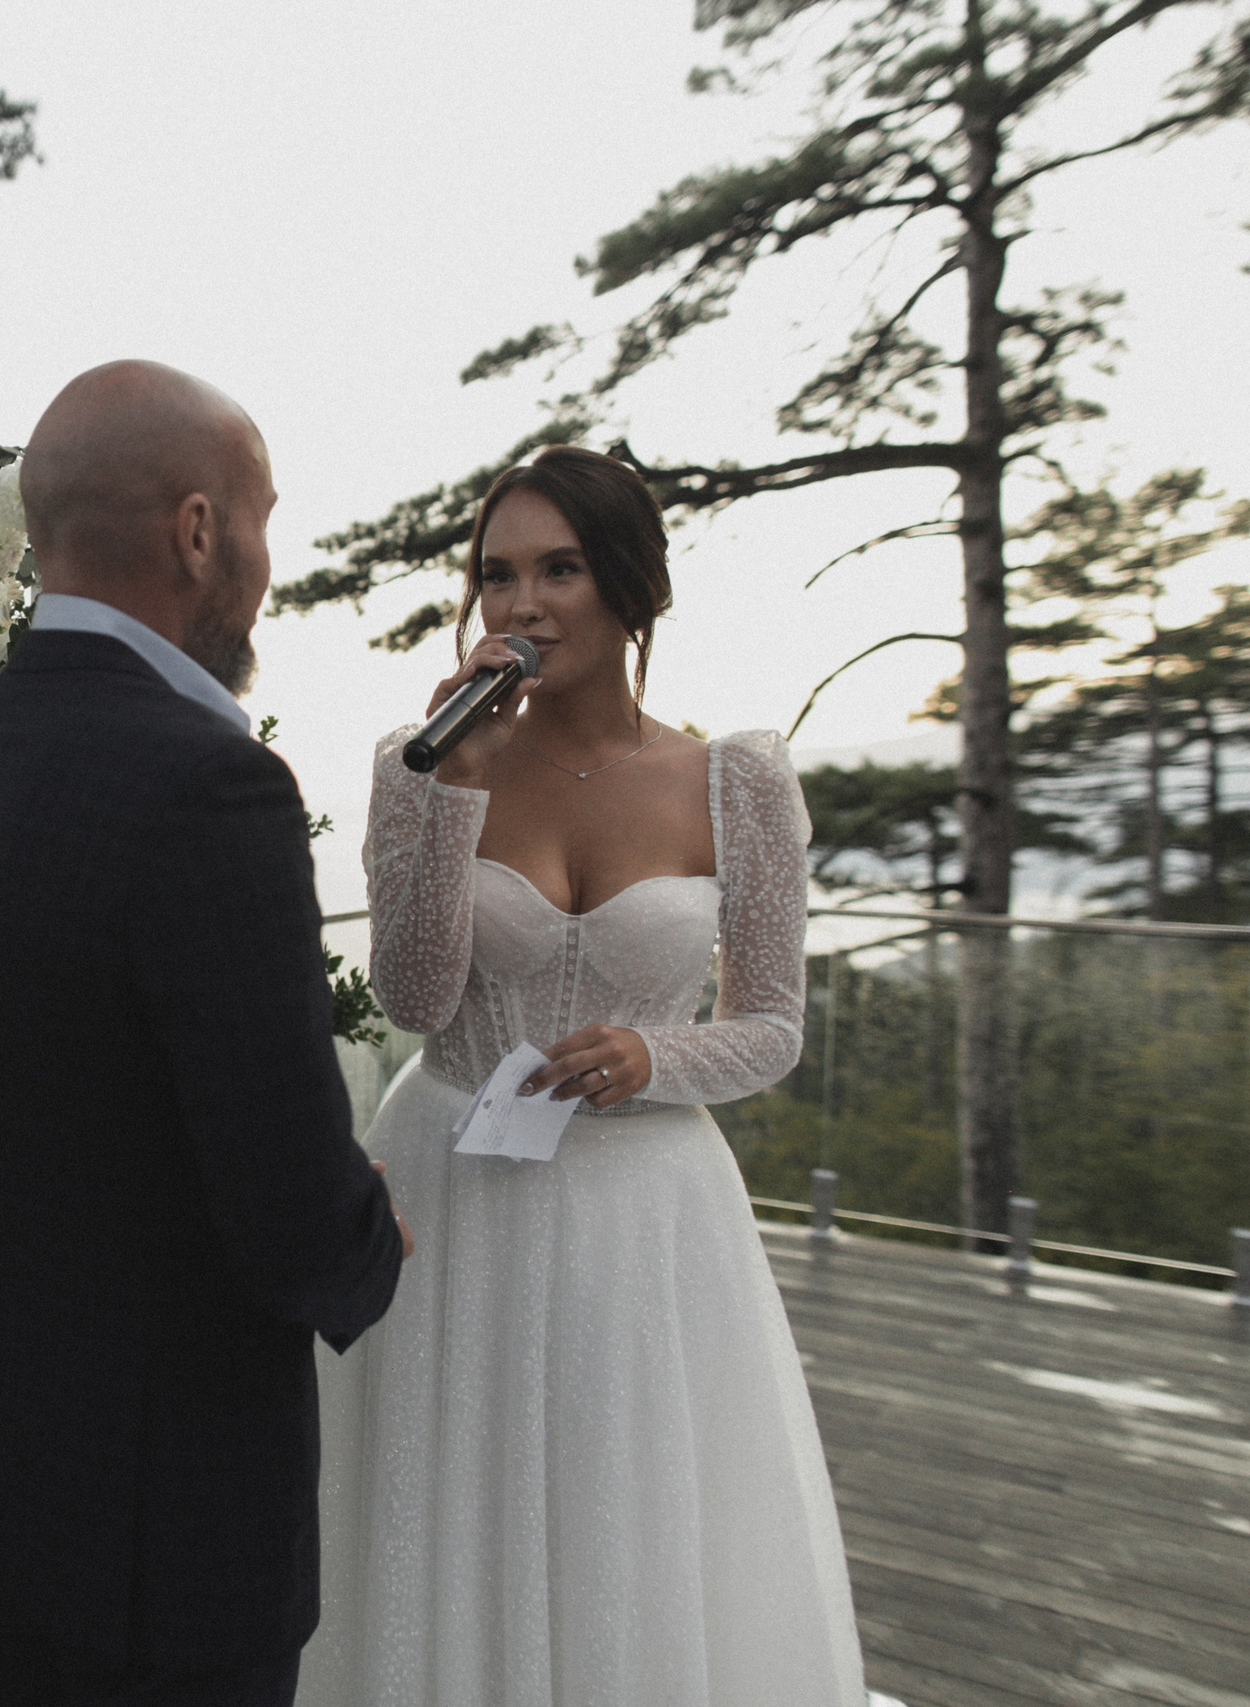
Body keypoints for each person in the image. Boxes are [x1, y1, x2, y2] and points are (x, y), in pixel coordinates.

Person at [301, 444, 867, 1707]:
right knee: (444, 1494)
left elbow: (771, 1025)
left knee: (623, 1503)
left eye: (558, 569)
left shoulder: (737, 781)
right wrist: (445, 797)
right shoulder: (421, 763)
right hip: (452, 1190)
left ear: (628, 587)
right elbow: (412, 997)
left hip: (643, 1214)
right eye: (497, 574)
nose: (522, 604)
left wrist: (653, 1054)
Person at [0, 360, 411, 1707]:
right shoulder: (210, 785)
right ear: (198, 531)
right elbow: (292, 1196)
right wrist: (371, 1237)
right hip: (177, 1523)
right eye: (260, 519)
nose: (264, 560)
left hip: (16, 1473)